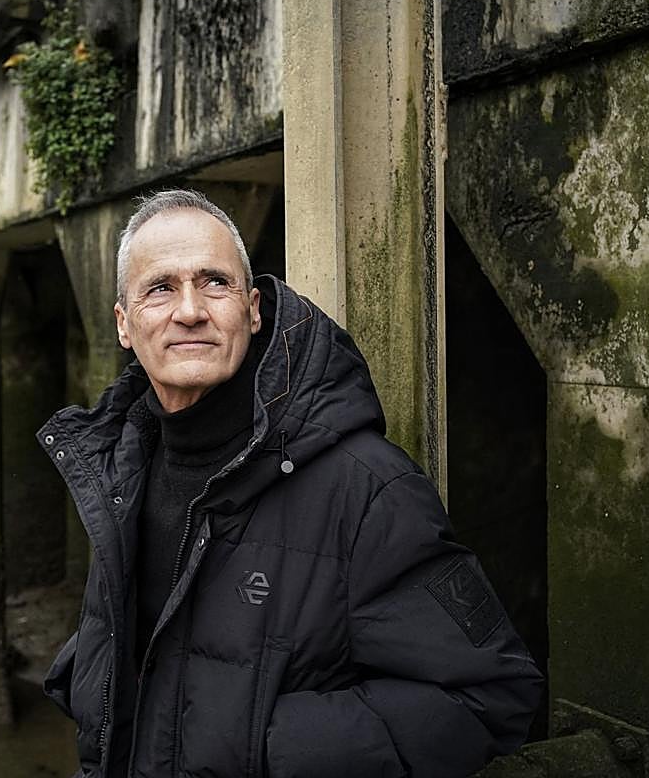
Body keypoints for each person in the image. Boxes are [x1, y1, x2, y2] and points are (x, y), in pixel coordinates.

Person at [39, 189, 542, 778]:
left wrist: (255, 748)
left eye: (215, 283)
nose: (191, 310)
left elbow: (490, 696)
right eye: (160, 288)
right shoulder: (119, 473)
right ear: (125, 325)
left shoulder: (368, 487)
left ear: (252, 310)